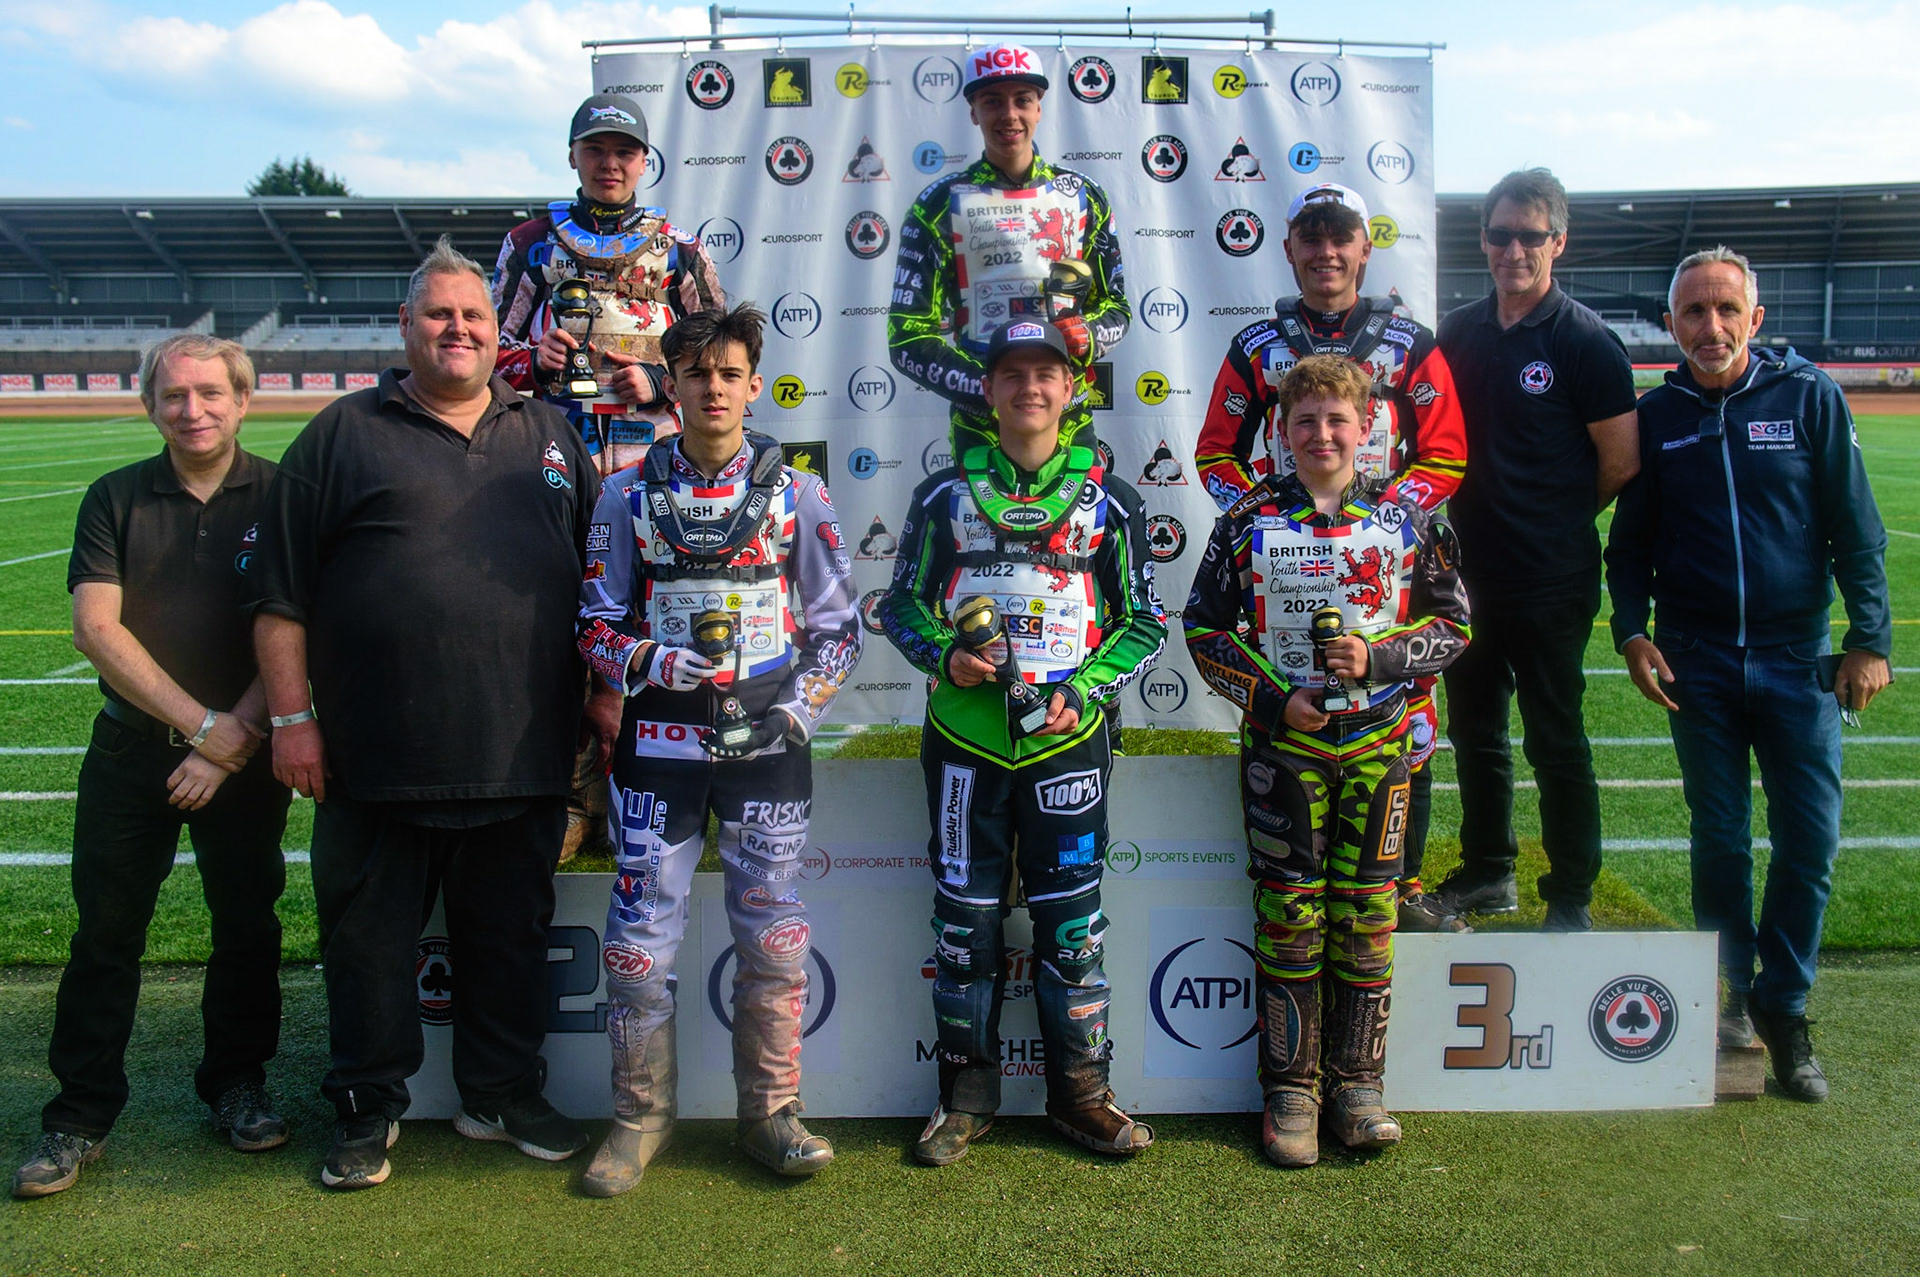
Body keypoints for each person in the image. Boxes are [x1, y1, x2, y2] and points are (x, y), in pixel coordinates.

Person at [251, 238, 597, 1191]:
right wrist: (292, 720)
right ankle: (367, 1104)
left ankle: (501, 1093)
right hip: (373, 752)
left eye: (475, 316)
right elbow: (280, 596)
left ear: (499, 331)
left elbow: (597, 584)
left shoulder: (553, 434)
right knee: (366, 943)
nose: (459, 330)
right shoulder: (340, 433)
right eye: (440, 315)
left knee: (510, 937)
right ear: (406, 328)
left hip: (522, 747)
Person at [572, 304, 861, 1193]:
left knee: (773, 933)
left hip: (768, 743)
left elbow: (840, 629)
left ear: (753, 384)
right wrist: (652, 659)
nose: (712, 389)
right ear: (670, 383)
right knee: (634, 943)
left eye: (729, 373)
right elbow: (591, 623)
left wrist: (800, 713)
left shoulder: (797, 492)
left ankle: (768, 1114)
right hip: (657, 745)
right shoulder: (624, 492)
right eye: (695, 373)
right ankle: (638, 1117)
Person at [1606, 247, 1891, 1102]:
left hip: (1798, 661)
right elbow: (1630, 546)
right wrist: (1630, 633)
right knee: (1720, 835)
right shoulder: (1656, 418)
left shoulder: (1808, 398)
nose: (1711, 326)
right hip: (1697, 664)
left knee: (1809, 840)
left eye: (1727, 309)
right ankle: (1729, 991)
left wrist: (1869, 638)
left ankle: (1786, 1005)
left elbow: (1855, 526)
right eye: (1693, 311)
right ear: (1671, 324)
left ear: (1755, 320)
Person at [881, 319, 1165, 1165]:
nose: (1030, 387)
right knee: (964, 928)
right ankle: (965, 1094)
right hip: (965, 742)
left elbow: (1145, 621)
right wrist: (944, 655)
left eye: (1047, 372)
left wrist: (1083, 689)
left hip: (1064, 743)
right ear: (987, 389)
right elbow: (898, 605)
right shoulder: (942, 495)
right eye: (1012, 373)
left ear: (1073, 388)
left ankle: (1081, 1094)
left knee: (1070, 928)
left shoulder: (1111, 498)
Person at [13, 336, 290, 1200]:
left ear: (244, 400)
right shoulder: (115, 497)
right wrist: (204, 729)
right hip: (132, 752)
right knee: (105, 934)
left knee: (247, 926)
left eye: (211, 392)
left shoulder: (284, 497)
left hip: (245, 758)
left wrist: (233, 736)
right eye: (173, 395)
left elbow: (300, 627)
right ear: (150, 405)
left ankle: (237, 1084)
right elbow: (97, 629)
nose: (193, 409)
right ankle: (79, 1114)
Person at [1185, 355, 1470, 1167]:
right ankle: (1291, 1090)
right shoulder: (1246, 518)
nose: (1321, 434)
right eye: (1304, 420)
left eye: (1338, 420)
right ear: (1280, 429)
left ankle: (1357, 1084)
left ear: (1369, 425)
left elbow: (1454, 629)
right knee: (1290, 912)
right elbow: (1205, 629)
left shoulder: (1412, 517)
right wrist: (1275, 702)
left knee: (1368, 913)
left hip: (1381, 744)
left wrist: (1379, 659)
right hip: (1287, 749)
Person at [1194, 181, 1470, 934]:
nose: (1326, 252)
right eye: (1311, 238)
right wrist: (1260, 521)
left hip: (1384, 557)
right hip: (1287, 559)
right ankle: (1295, 869)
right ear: (1288, 250)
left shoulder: (1410, 342)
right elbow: (1217, 452)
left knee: (1407, 708)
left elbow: (1445, 453)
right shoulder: (1258, 346)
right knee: (1293, 703)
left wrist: (1386, 522)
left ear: (1364, 248)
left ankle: (1401, 882)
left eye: (1339, 237)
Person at [494, 92, 728, 863]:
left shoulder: (679, 248)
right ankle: (572, 797)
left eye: (624, 150)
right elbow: (482, 358)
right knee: (561, 623)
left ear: (643, 159)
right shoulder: (531, 242)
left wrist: (659, 384)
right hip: (552, 464)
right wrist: (533, 361)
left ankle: (690, 782)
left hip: (656, 466)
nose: (610, 162)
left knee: (667, 613)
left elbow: (722, 354)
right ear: (573, 156)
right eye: (595, 149)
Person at [1434, 168, 1640, 932]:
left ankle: (1572, 893)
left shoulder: (1584, 340)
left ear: (1558, 240)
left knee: (1555, 735)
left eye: (1530, 234)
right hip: (1465, 577)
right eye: (1499, 233)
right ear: (1483, 239)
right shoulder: (1456, 333)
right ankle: (1490, 870)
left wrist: (1550, 522)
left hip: (1552, 578)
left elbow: (1619, 460)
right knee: (1475, 730)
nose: (1512, 248)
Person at [888, 43, 1129, 455]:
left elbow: (1117, 308)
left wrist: (1086, 336)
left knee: (1081, 523)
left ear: (1039, 108)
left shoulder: (1084, 196)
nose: (1009, 114)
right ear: (973, 111)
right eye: (993, 101)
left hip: (1069, 423)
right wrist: (987, 390)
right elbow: (906, 338)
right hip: (980, 430)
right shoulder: (938, 205)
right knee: (971, 522)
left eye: (1023, 100)